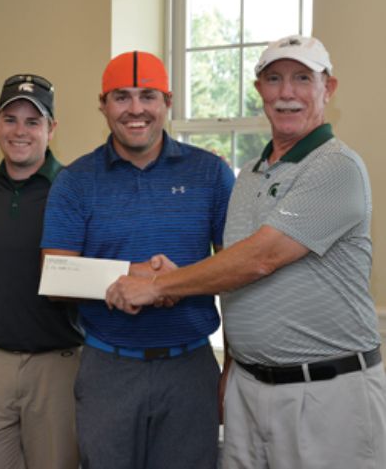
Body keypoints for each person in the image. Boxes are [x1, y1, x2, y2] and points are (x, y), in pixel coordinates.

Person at [106, 35, 386, 469]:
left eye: (301, 79)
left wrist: (158, 284)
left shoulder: (337, 166)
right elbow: (237, 271)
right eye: (274, 79)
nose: (286, 93)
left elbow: (262, 258)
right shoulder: (251, 175)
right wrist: (185, 282)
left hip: (326, 391)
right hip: (248, 389)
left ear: (327, 89)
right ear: (260, 91)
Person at [41, 51, 235, 469]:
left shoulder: (211, 174)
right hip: (109, 367)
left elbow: (235, 270)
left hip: (190, 367)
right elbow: (56, 276)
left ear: (168, 102)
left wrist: (167, 286)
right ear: (103, 105)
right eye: (121, 97)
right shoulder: (75, 181)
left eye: (148, 96)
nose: (135, 109)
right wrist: (138, 277)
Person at [0, 74, 83, 469]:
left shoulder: (73, 187)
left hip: (56, 363)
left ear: (51, 129)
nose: (20, 131)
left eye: (33, 121)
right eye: (10, 119)